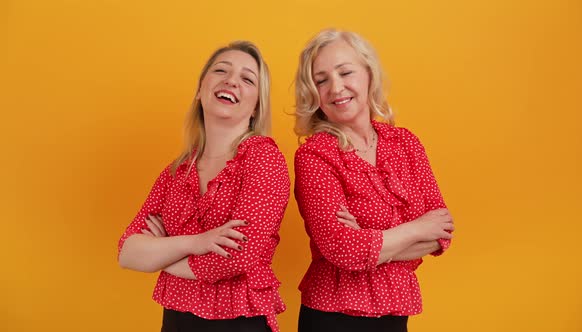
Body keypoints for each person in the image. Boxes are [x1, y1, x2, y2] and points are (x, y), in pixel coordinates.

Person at [118, 41, 290, 332]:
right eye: (221, 70)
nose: (231, 80)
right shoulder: (175, 172)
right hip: (176, 321)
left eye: (247, 79)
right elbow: (128, 252)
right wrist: (196, 243)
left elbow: (237, 256)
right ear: (200, 91)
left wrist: (162, 256)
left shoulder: (264, 158)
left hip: (239, 323)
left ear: (256, 106)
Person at [293, 29, 455, 332]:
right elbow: (342, 249)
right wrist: (417, 228)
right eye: (321, 80)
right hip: (332, 317)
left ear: (369, 74)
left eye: (345, 72)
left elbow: (442, 231)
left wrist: (366, 239)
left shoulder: (405, 143)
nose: (335, 87)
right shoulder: (315, 155)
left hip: (395, 315)